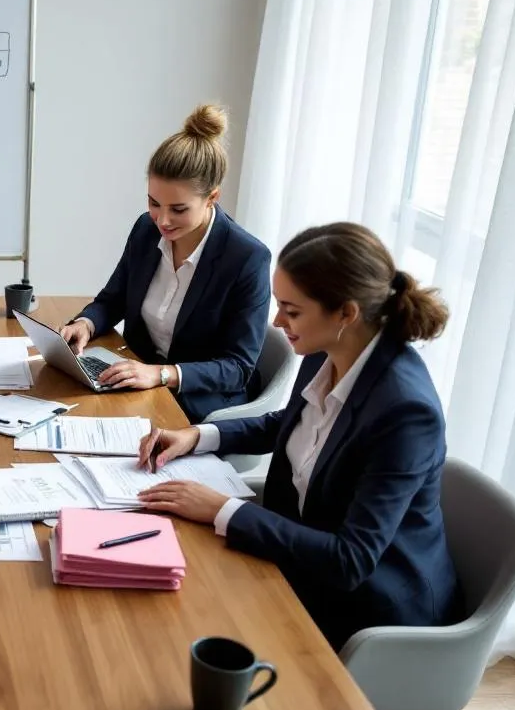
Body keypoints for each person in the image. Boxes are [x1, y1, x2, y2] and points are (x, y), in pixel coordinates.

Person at [134, 222, 461, 649]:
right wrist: (198, 435)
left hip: (372, 610)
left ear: (346, 313)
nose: (276, 320)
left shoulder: (405, 412)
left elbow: (351, 560)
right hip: (305, 560)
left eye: (291, 309)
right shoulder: (328, 349)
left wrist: (223, 509)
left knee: (188, 616)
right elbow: (289, 424)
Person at [59, 104, 271, 422]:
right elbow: (113, 299)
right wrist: (84, 324)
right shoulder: (146, 229)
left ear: (212, 197)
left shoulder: (246, 259)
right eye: (154, 202)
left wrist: (161, 374)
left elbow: (238, 368)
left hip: (198, 402)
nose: (163, 220)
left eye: (179, 209)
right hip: (140, 382)